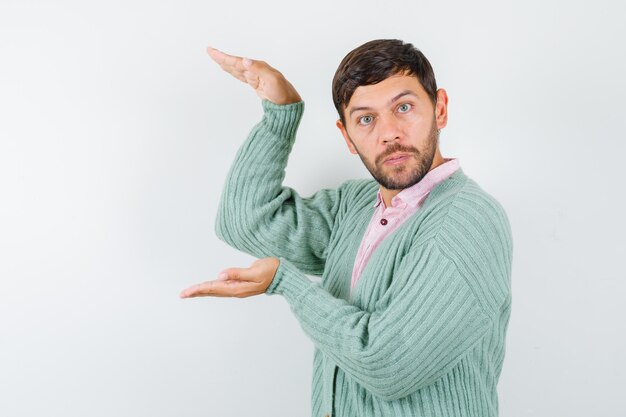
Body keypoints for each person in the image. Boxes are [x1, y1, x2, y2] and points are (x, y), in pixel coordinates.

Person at [181, 39, 513, 417]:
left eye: (403, 108)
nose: (389, 133)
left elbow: (389, 365)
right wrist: (281, 113)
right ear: (347, 136)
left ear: (440, 109)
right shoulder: (354, 206)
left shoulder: (467, 222)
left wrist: (286, 283)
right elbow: (244, 220)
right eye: (366, 119)